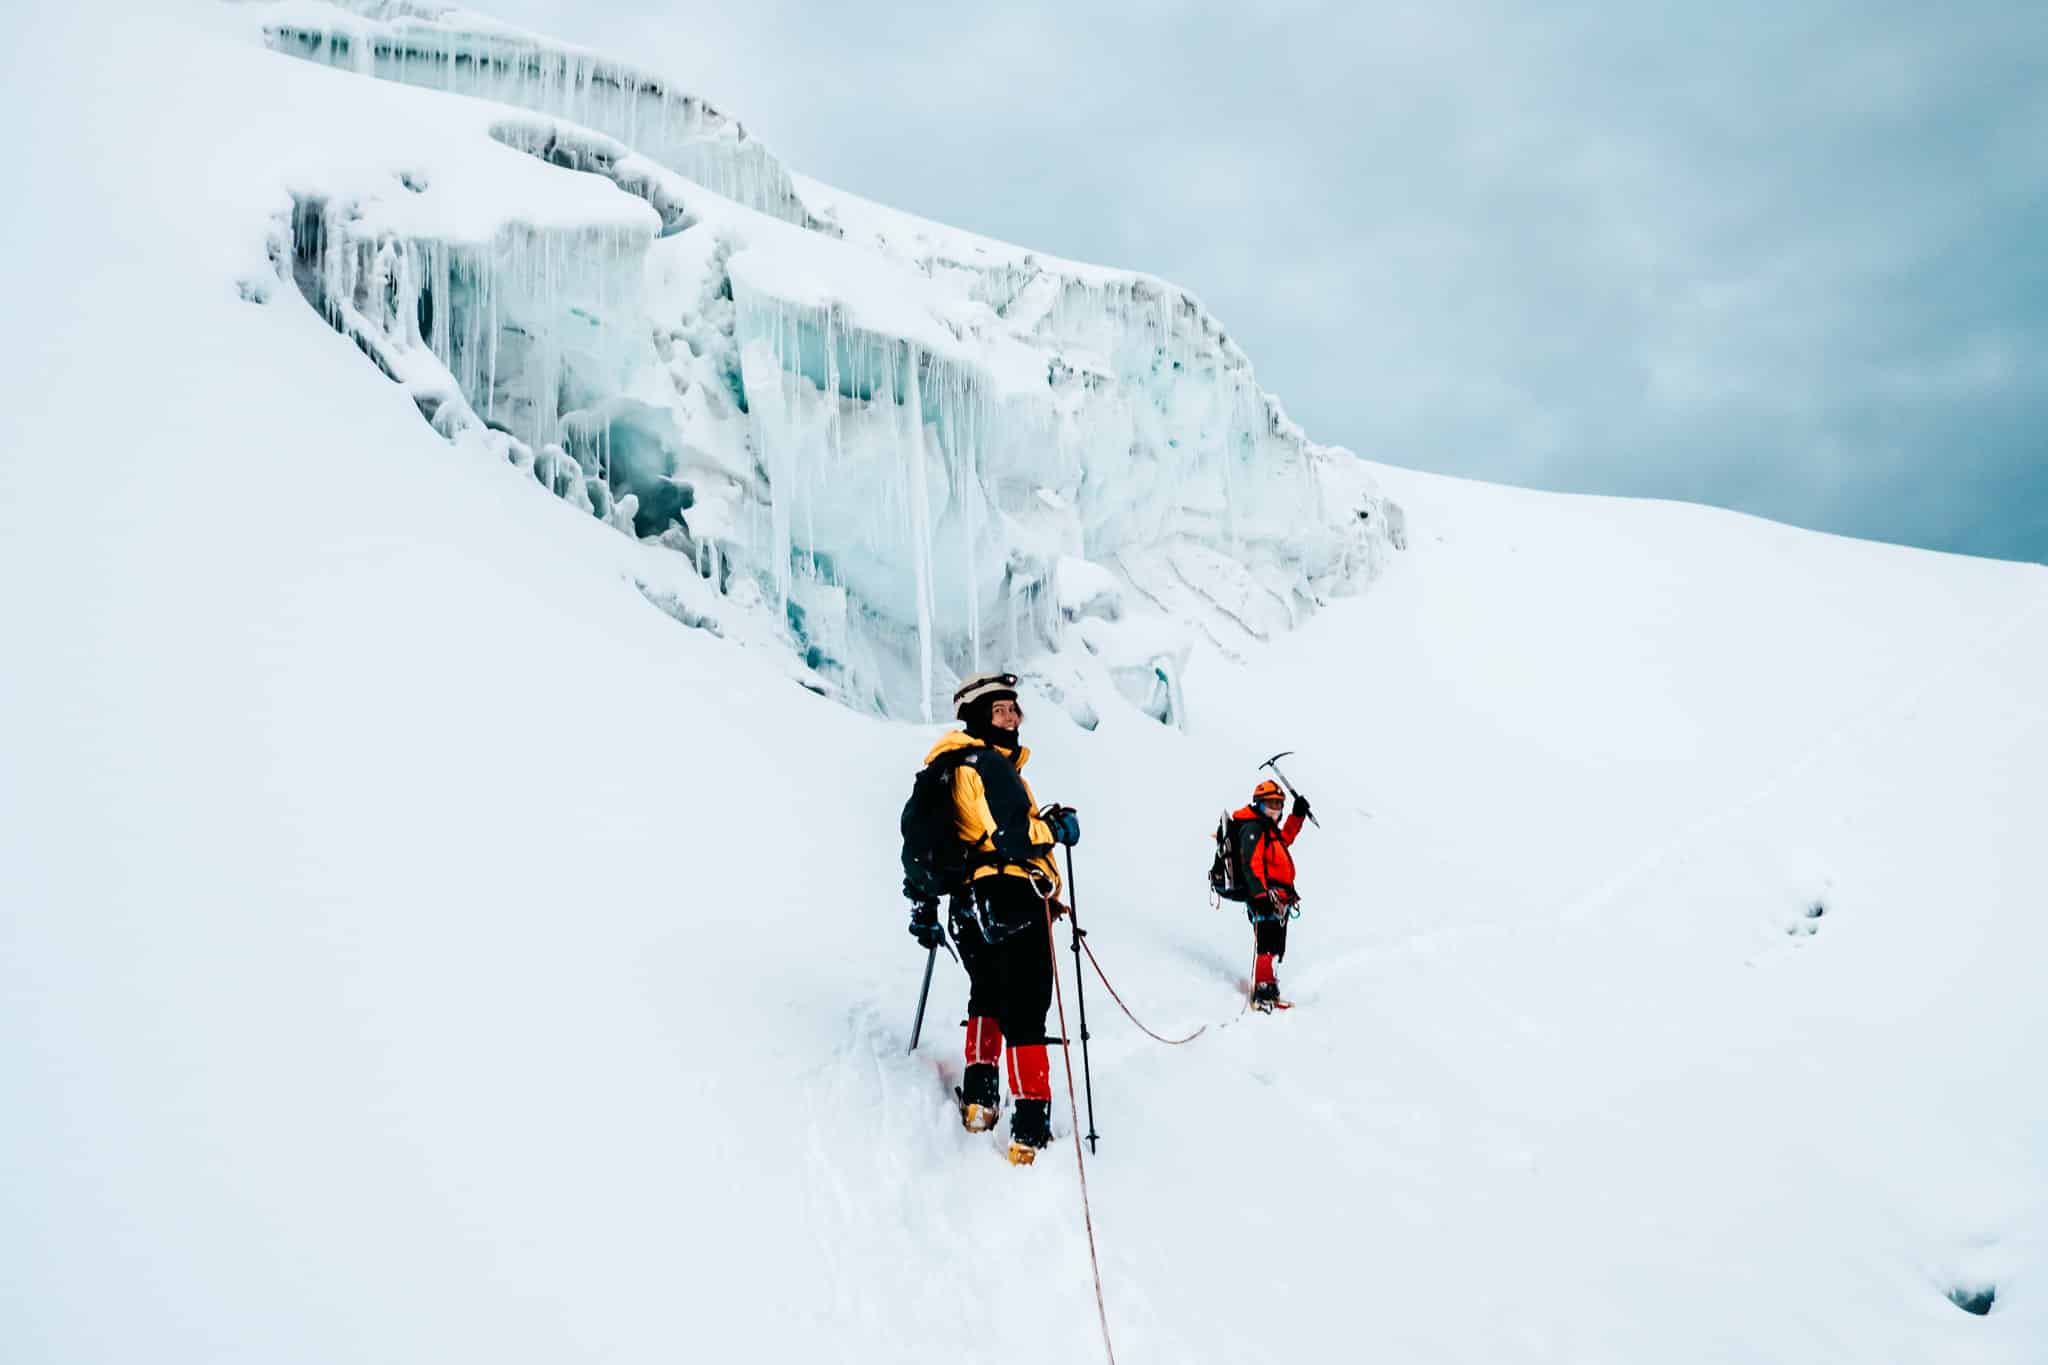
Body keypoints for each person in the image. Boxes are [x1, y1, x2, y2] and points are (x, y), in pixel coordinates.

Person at [906, 671, 1067, 1165]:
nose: (1012, 718)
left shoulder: (947, 766)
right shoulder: (989, 765)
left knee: (988, 996)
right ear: (979, 717)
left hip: (970, 905)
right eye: (1001, 710)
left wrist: (925, 903)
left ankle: (979, 1102)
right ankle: (1030, 1129)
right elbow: (1012, 836)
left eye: (1014, 710)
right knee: (1028, 1006)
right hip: (1012, 895)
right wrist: (1055, 829)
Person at [1232, 778, 1311, 1009]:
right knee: (1267, 943)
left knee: (1276, 944)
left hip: (1279, 898)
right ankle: (1262, 991)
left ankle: (1270, 987)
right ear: (1258, 803)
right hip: (1265, 897)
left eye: (1279, 804)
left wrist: (1297, 816)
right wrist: (1260, 897)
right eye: (1270, 804)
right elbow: (1251, 864)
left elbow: (1285, 838)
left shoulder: (1269, 830)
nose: (1275, 809)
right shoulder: (1253, 829)